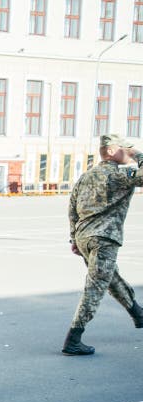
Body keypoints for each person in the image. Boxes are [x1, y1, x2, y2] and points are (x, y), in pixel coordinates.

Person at [62, 134, 143, 355]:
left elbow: (72, 207)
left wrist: (74, 238)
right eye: (124, 149)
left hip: (85, 237)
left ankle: (137, 313)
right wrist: (139, 155)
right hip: (104, 239)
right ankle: (74, 338)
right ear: (110, 151)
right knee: (96, 286)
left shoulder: (86, 176)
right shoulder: (119, 173)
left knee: (111, 278)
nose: (128, 152)